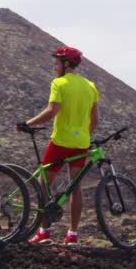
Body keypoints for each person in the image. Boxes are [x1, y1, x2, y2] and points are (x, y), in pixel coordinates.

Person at [20, 46, 99, 245]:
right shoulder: (90, 86)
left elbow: (51, 111)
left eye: (56, 62)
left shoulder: (59, 83)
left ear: (66, 64)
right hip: (81, 142)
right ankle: (72, 235)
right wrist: (84, 136)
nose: (54, 66)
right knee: (76, 186)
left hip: (61, 141)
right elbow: (95, 119)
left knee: (44, 182)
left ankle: (44, 232)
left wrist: (27, 123)